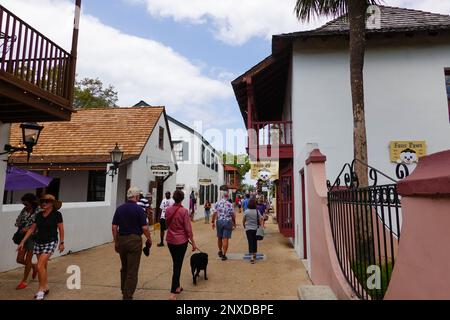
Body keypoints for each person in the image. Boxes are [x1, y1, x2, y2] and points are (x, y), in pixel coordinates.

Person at [18, 194, 64, 300]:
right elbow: (31, 229)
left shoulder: (57, 214)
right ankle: (46, 286)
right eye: (42, 201)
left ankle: (40, 290)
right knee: (42, 267)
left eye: (47, 201)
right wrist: (22, 241)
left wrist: (62, 242)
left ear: (52, 204)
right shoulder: (39, 215)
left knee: (39, 266)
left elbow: (61, 229)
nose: (44, 203)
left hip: (50, 241)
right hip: (38, 242)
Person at [112, 187, 152, 300]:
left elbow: (114, 227)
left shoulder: (119, 209)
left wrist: (116, 241)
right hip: (134, 240)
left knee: (124, 267)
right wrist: (149, 239)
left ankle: (124, 289)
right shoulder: (139, 210)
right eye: (138, 195)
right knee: (132, 269)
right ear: (136, 196)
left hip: (122, 239)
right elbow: (144, 228)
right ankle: (127, 294)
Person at [165, 190, 197, 300]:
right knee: (177, 265)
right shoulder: (184, 211)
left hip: (170, 240)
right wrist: (193, 242)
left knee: (176, 263)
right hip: (181, 241)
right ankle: (173, 292)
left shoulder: (168, 210)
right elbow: (188, 229)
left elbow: (166, 224)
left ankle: (177, 286)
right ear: (182, 199)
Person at [14, 193, 40, 290]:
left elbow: (40, 224)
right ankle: (33, 266)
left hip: (34, 237)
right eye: (24, 204)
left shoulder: (39, 211)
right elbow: (17, 222)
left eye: (26, 204)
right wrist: (21, 223)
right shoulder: (24, 210)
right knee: (19, 259)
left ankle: (24, 281)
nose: (25, 206)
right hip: (23, 237)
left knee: (28, 259)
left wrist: (28, 228)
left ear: (32, 203)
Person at [211, 190, 236, 261]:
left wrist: (212, 222)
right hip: (228, 222)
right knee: (225, 239)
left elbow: (214, 213)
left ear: (222, 196)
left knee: (219, 237)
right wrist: (234, 222)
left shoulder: (217, 203)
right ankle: (224, 255)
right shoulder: (230, 204)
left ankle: (220, 250)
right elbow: (232, 215)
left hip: (219, 221)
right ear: (227, 196)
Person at [243, 197, 264, 264]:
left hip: (248, 229)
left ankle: (252, 256)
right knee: (255, 241)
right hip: (255, 228)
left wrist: (244, 225)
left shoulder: (246, 211)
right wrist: (261, 226)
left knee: (250, 242)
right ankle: (254, 254)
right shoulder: (257, 211)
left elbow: (244, 220)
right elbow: (261, 218)